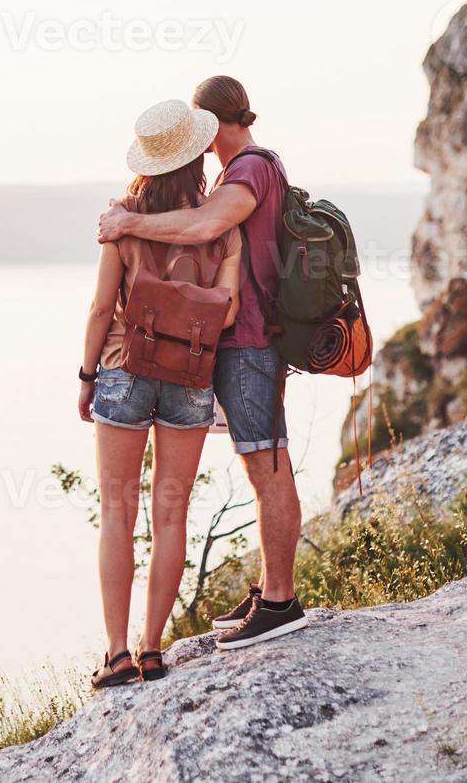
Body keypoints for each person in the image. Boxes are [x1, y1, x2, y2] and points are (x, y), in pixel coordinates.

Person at [97, 75, 308, 651]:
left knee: (267, 466)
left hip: (249, 342)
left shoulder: (250, 170)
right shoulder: (242, 171)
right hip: (242, 342)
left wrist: (129, 222)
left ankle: (281, 603)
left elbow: (207, 226)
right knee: (260, 463)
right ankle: (270, 586)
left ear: (210, 125)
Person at [79, 99, 242, 688]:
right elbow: (230, 313)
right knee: (171, 515)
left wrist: (85, 376)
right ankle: (153, 651)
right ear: (197, 153)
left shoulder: (122, 218)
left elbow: (102, 308)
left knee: (118, 514)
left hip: (123, 372)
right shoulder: (218, 225)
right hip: (190, 380)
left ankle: (117, 655)